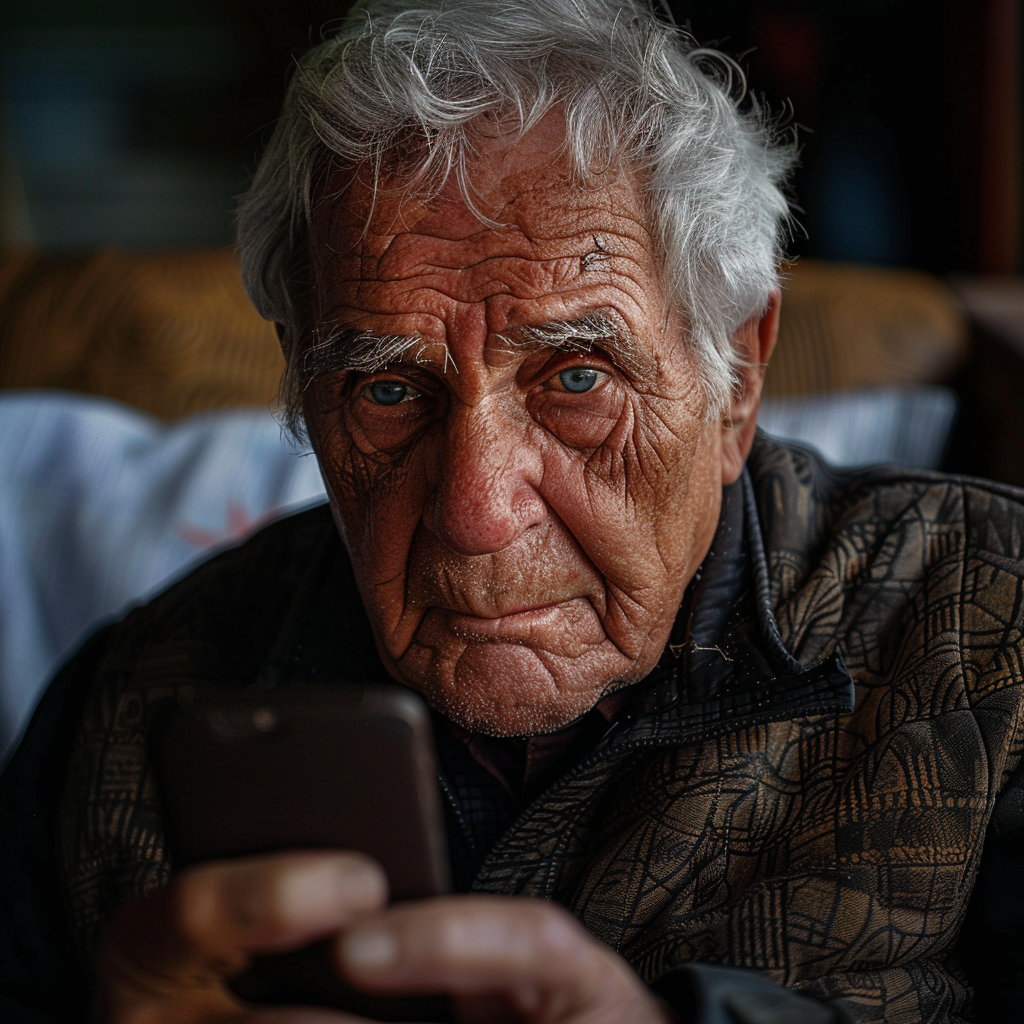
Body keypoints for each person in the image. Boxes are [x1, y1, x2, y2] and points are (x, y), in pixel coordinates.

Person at [2, 0, 1023, 1021]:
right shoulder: (132, 708)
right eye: (388, 391)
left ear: (737, 379)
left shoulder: (996, 627)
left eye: (577, 378)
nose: (477, 512)